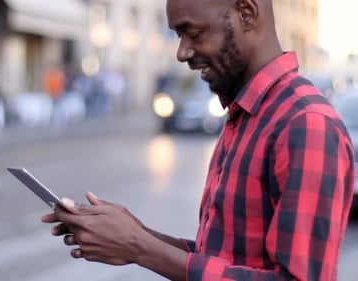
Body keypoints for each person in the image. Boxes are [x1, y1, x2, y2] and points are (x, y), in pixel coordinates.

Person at [41, 0, 355, 280]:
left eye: (194, 33)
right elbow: (225, 258)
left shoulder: (305, 124)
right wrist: (132, 233)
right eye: (178, 36)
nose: (182, 53)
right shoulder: (247, 113)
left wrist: (140, 246)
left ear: (246, 12)